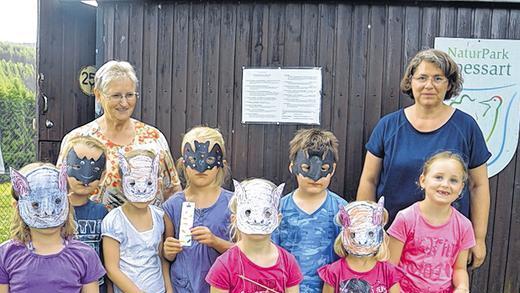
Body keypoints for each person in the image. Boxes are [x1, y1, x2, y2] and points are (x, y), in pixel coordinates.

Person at [356, 49, 491, 268]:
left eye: (438, 78)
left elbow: (478, 185)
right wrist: (364, 231)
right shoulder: (388, 126)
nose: (429, 85)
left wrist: (479, 237)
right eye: (422, 78)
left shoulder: (466, 127)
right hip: (392, 240)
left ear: (449, 84)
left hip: (446, 244)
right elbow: (369, 180)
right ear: (411, 82)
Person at [56, 60, 181, 210]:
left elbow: (172, 191)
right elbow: (60, 189)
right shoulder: (78, 139)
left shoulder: (153, 138)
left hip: (147, 231)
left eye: (129, 95)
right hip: (92, 230)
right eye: (116, 96)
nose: (124, 103)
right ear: (98, 95)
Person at [0, 163, 105, 293]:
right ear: (17, 206)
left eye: (56, 201)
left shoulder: (85, 255)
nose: (48, 211)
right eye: (35, 204)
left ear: (67, 201)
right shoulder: (5, 254)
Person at [272, 128, 347, 292]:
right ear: (293, 167)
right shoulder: (278, 209)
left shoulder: (342, 210)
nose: (315, 177)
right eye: (306, 168)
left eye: (324, 168)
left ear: (332, 169)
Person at [388, 151, 475, 293]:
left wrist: (462, 287)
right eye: (438, 177)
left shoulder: (464, 226)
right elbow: (390, 267)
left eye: (453, 180)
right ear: (423, 180)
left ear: (461, 188)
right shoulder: (406, 218)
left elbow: (459, 268)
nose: (445, 184)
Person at [162, 126, 233, 292]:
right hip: (182, 287)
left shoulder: (234, 204)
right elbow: (166, 258)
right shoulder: (172, 206)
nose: (200, 168)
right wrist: (168, 251)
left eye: (209, 160)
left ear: (221, 164)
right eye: (193, 159)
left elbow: (245, 250)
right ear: (184, 163)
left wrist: (216, 242)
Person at [206, 179, 303, 292]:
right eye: (248, 212)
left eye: (267, 213)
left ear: (278, 219)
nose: (258, 220)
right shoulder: (224, 265)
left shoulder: (288, 263)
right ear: (234, 219)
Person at [102, 150, 172, 293]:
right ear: (122, 184)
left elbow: (161, 258)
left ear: (157, 184)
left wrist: (169, 289)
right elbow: (111, 268)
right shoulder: (114, 220)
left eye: (149, 182)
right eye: (133, 183)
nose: (141, 189)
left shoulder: (159, 216)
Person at [318, 198, 401, 293]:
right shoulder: (334, 272)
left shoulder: (388, 272)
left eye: (370, 233)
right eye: (354, 234)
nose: (362, 241)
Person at [63, 136, 110, 293]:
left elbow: (107, 258)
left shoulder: (102, 213)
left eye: (94, 170)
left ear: (102, 176)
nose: (85, 177)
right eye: (77, 166)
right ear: (63, 168)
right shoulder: (54, 212)